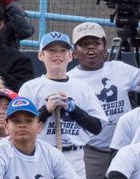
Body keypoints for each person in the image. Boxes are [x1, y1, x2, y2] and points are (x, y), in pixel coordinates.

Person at [66, 21, 140, 179]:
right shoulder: (69, 80)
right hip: (91, 153)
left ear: (105, 49)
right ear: (74, 53)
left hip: (126, 151)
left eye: (96, 43)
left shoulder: (120, 69)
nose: (90, 48)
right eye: (84, 44)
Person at [15, 31, 104, 164]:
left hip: (74, 155)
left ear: (70, 56)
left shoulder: (82, 86)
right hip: (40, 154)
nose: (57, 54)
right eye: (51, 50)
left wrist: (73, 109)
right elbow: (20, 126)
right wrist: (46, 109)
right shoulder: (30, 88)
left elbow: (96, 127)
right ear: (41, 55)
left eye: (63, 50)